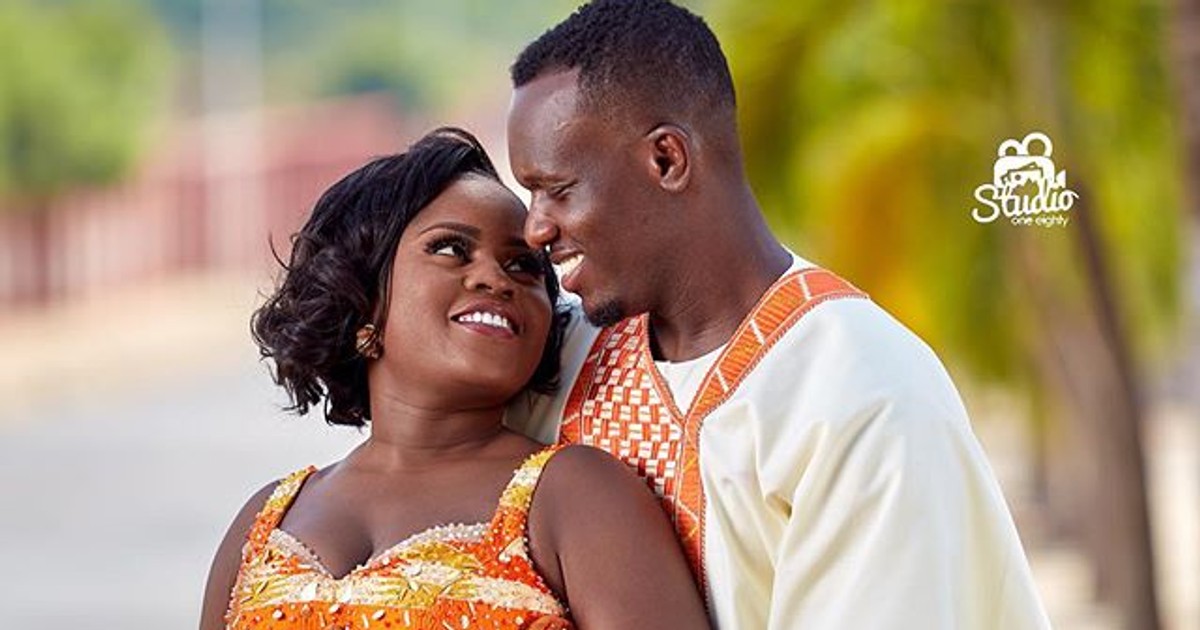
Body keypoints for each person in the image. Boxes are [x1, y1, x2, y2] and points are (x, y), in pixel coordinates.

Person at [503, 1, 1053, 628]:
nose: (535, 228)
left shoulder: (861, 392)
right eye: (529, 195)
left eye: (558, 190)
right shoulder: (566, 358)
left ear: (667, 161)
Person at [199, 127, 711, 630]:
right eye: (451, 249)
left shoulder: (574, 494)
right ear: (362, 297)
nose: (496, 279)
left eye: (523, 265)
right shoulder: (265, 519)